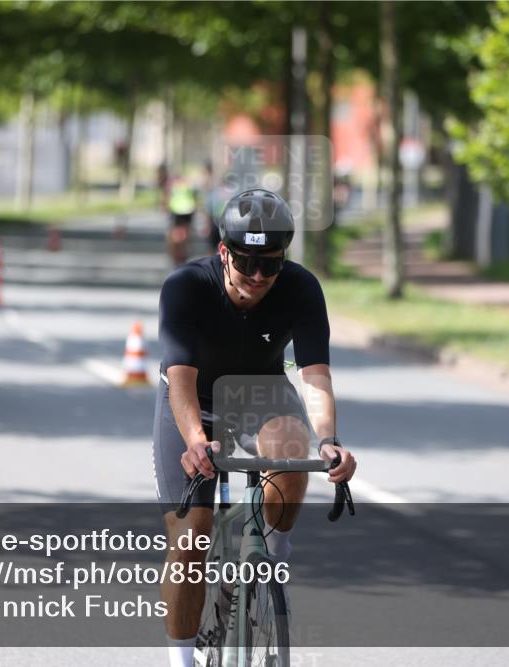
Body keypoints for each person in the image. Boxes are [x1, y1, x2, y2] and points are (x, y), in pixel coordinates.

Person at [152, 188, 357, 667]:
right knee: (190, 539)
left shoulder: (301, 288)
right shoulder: (185, 286)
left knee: (293, 451)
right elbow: (179, 378)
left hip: (260, 395)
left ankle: (269, 556)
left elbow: (315, 377)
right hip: (192, 404)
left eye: (272, 264)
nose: (260, 277)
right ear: (224, 251)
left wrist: (329, 441)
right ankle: (182, 662)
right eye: (247, 263)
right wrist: (195, 441)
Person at [165, 174, 198, 266]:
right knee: (183, 235)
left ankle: (182, 254)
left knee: (178, 235)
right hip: (183, 211)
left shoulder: (174, 185)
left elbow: (167, 196)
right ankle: (182, 253)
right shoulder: (188, 185)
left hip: (181, 211)